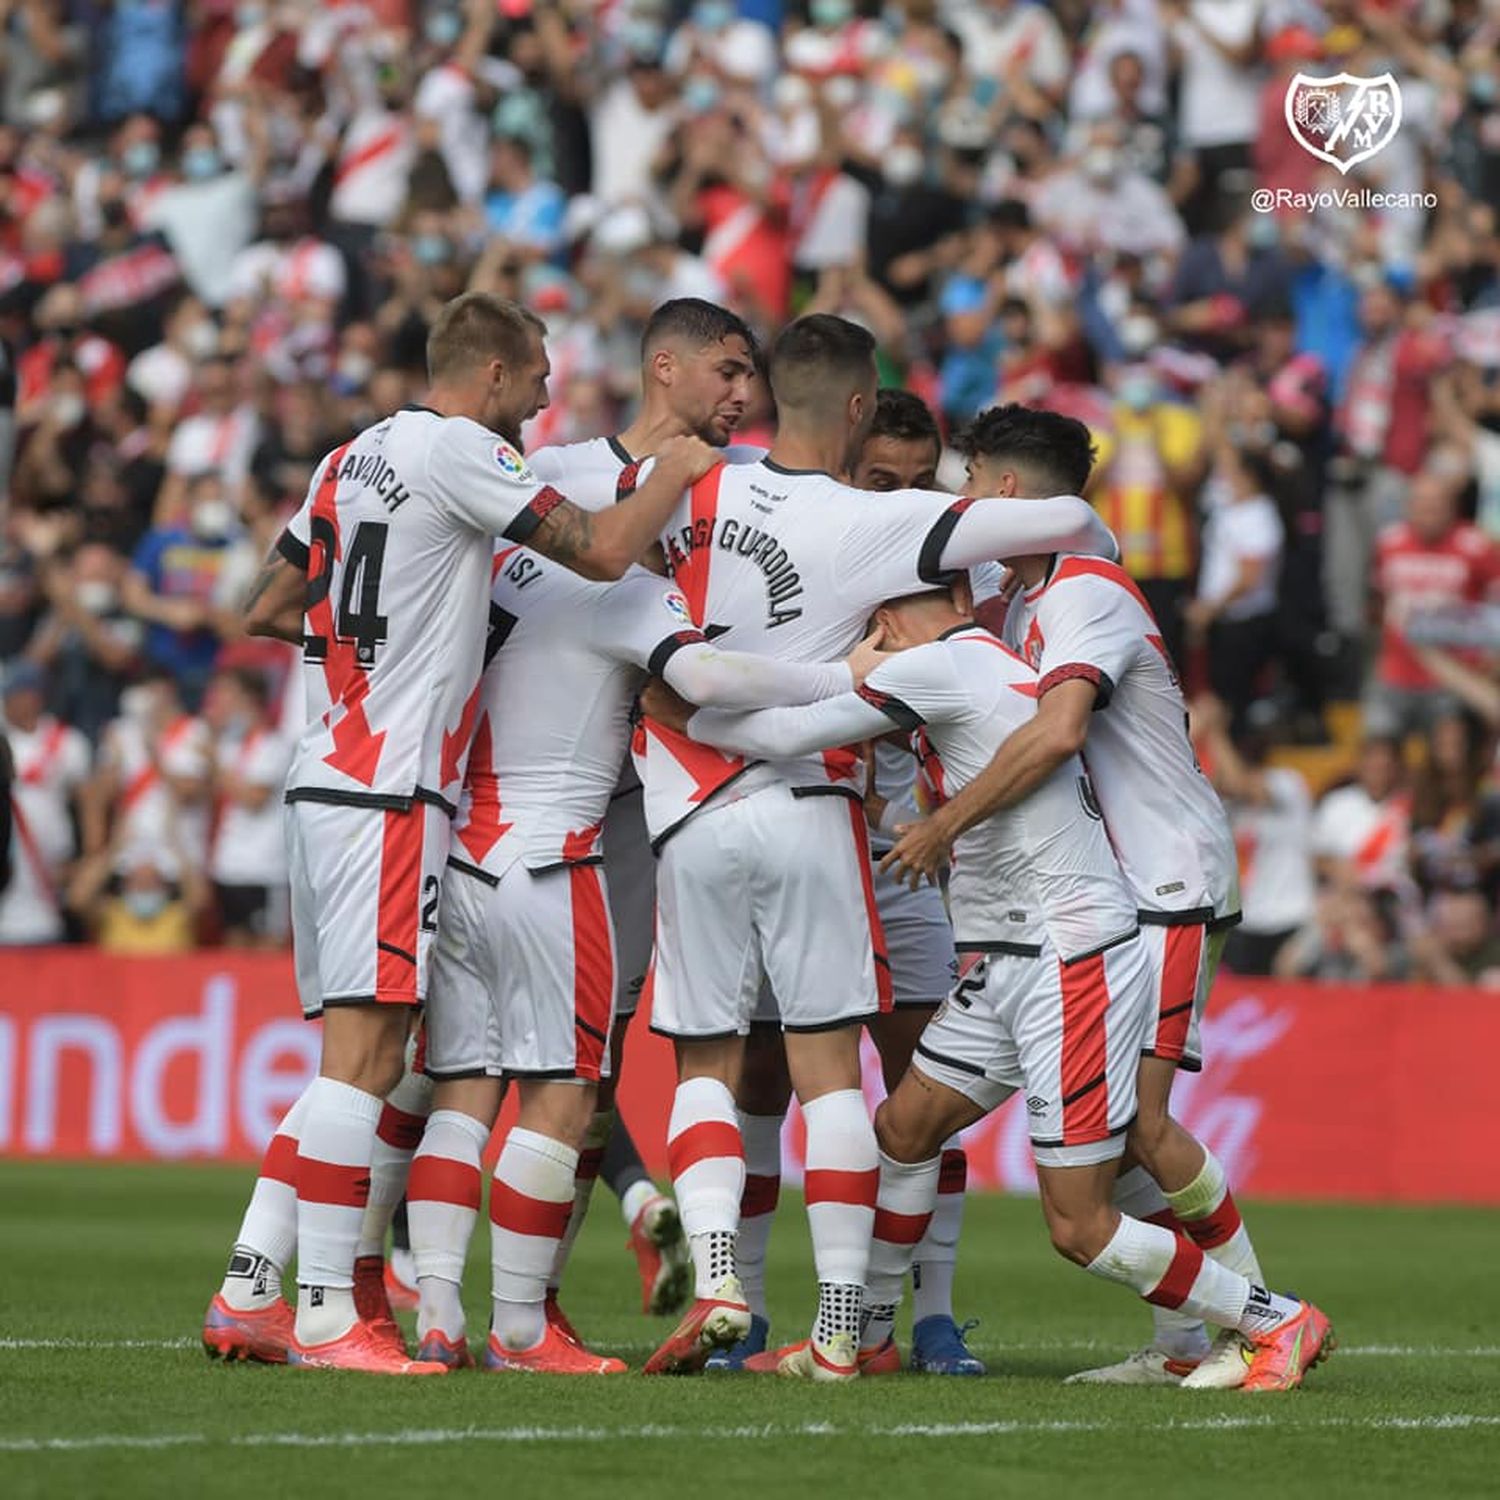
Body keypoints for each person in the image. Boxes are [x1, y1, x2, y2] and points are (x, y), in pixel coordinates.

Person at [202, 290, 723, 1376]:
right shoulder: (457, 449)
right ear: (489, 376)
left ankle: (253, 1286)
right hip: (394, 786)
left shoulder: (347, 460)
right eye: (534, 379)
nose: (542, 401)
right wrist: (669, 475)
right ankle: (327, 1318)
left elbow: (262, 608)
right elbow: (597, 549)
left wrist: (392, 614)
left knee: (374, 1060)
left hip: (331, 765)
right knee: (372, 1059)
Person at [658, 580, 1333, 1395]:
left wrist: (676, 708)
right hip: (1008, 957)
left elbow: (792, 730)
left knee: (1079, 1223)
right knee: (904, 1129)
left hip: (1067, 961)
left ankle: (1274, 1319)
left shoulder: (939, 665)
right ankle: (863, 1340)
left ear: (885, 619)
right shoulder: (993, 660)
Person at [635, 315, 1115, 1381]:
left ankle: (732, 1287)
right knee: (826, 1081)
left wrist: (685, 712)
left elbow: (628, 593)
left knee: (711, 1066)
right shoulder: (878, 523)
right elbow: (1077, 517)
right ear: (856, 409)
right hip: (829, 815)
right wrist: (844, 674)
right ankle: (839, 1327)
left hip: (695, 806)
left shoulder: (686, 492)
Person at [405, 524, 868, 1375]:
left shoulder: (491, 579)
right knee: (564, 1100)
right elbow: (703, 681)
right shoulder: (626, 593)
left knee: (463, 1096)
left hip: (457, 847)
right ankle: (518, 1327)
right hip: (552, 861)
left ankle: (436, 1314)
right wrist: (846, 676)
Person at [884, 404, 1272, 1391]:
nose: (966, 507)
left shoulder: (1087, 591)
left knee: (1140, 1122)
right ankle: (1193, 1338)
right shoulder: (1021, 602)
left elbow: (1057, 734)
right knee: (1112, 1131)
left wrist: (946, 823)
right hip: (1102, 893)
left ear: (1007, 494)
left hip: (1166, 880)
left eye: (972, 487)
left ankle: (1258, 1328)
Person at [712, 388, 983, 1377]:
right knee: (762, 1081)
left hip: (903, 859)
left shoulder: (957, 569)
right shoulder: (802, 553)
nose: (904, 503)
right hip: (795, 837)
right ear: (848, 471)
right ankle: (741, 1306)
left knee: (928, 1090)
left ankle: (932, 1314)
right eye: (883, 482)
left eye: (921, 484)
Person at [526, 297, 761, 1320]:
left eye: (751, 377)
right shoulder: (556, 480)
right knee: (468, 1056)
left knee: (600, 1055)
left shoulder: (755, 490)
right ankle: (397, 1276)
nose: (744, 395)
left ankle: (541, 1296)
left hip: (667, 806)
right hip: (554, 802)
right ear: (665, 367)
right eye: (728, 372)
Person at [1192, 697, 1315, 977]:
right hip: (1245, 923)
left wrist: (1213, 731)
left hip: (1289, 917)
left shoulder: (1287, 783)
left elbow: (1244, 786)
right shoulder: (1222, 800)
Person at [0, 660, 90, 944]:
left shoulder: (66, 742)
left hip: (49, 873)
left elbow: (88, 807)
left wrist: (84, 859)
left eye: (13, 695)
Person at [205, 666, 292, 947]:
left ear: (249, 699)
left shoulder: (274, 745)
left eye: (226, 695)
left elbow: (254, 798)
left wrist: (214, 764)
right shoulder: (228, 745)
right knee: (234, 953)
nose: (220, 703)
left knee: (267, 953)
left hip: (265, 868)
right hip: (228, 865)